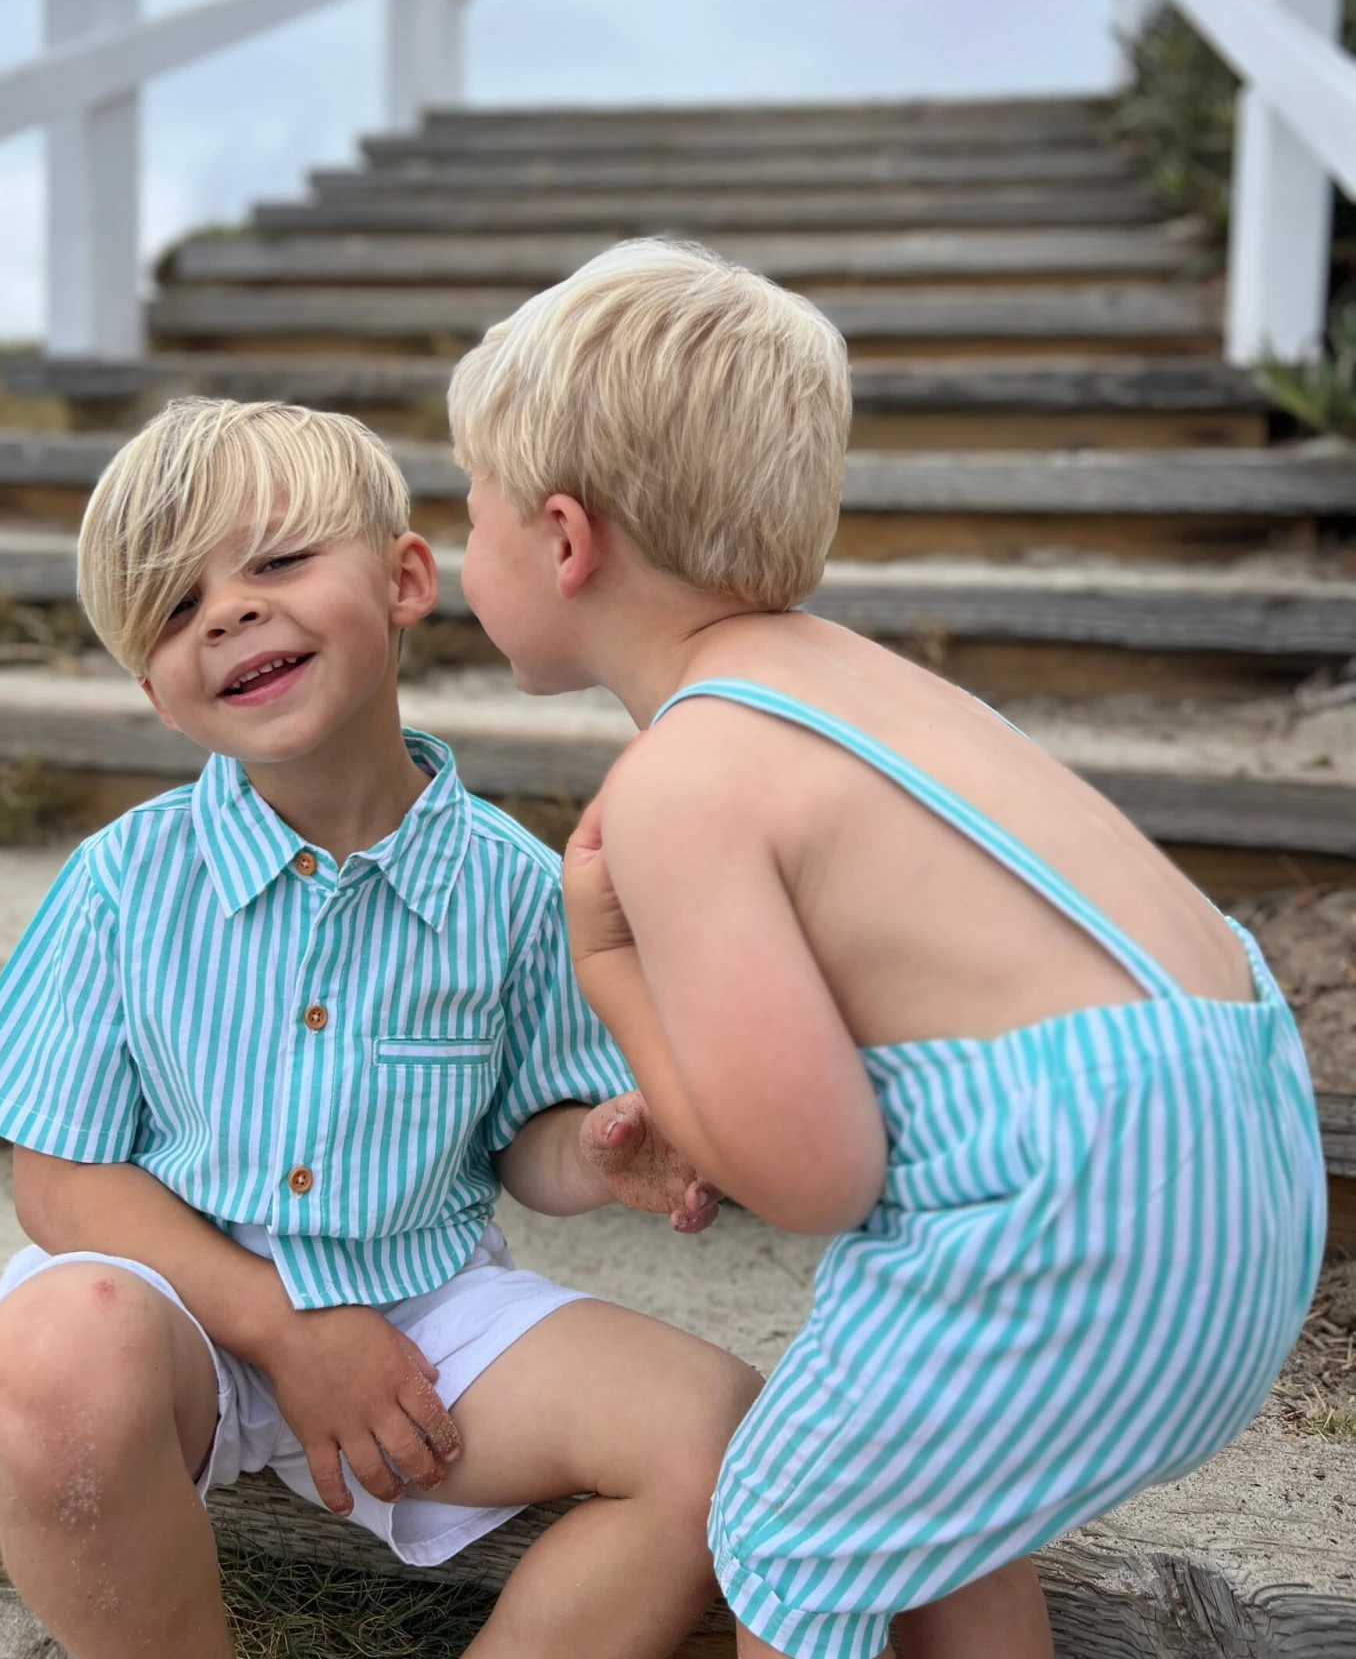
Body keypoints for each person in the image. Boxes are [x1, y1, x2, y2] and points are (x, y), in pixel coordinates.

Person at [447, 238, 1327, 1659]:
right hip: (1234, 1178)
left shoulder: (687, 778)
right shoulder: (869, 687)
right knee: (914, 1506)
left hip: (1081, 1210)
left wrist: (608, 963)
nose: (458, 546)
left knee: (784, 1532)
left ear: (563, 538)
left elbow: (811, 1177)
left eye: (465, 505)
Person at [0, 397, 760, 1659]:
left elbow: (526, 1138)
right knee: (50, 1351)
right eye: (175, 607)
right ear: (158, 694)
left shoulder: (513, 885)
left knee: (717, 1438)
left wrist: (598, 1152)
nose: (227, 612)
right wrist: (283, 1326)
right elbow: (57, 1179)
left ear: (406, 577)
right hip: (182, 1304)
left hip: (424, 1308)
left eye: (275, 560)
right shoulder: (123, 880)